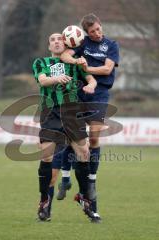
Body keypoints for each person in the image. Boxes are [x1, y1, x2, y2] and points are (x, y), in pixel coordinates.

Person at [56, 13, 120, 222]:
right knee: (73, 140)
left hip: (99, 94)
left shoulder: (111, 45)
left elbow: (107, 68)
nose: (96, 33)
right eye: (92, 31)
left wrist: (85, 69)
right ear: (86, 32)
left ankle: (90, 178)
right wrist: (74, 59)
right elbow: (64, 56)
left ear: (101, 25)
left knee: (94, 139)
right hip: (78, 94)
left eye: (98, 29)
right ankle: (66, 178)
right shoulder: (82, 44)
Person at [32, 33, 97, 222]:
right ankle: (44, 201)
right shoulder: (41, 62)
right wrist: (56, 78)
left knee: (84, 152)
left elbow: (90, 78)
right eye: (52, 40)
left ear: (66, 42)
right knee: (47, 157)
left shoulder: (75, 63)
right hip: (50, 112)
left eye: (59, 39)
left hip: (72, 111)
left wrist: (91, 86)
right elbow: (43, 80)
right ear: (49, 46)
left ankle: (84, 197)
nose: (56, 41)